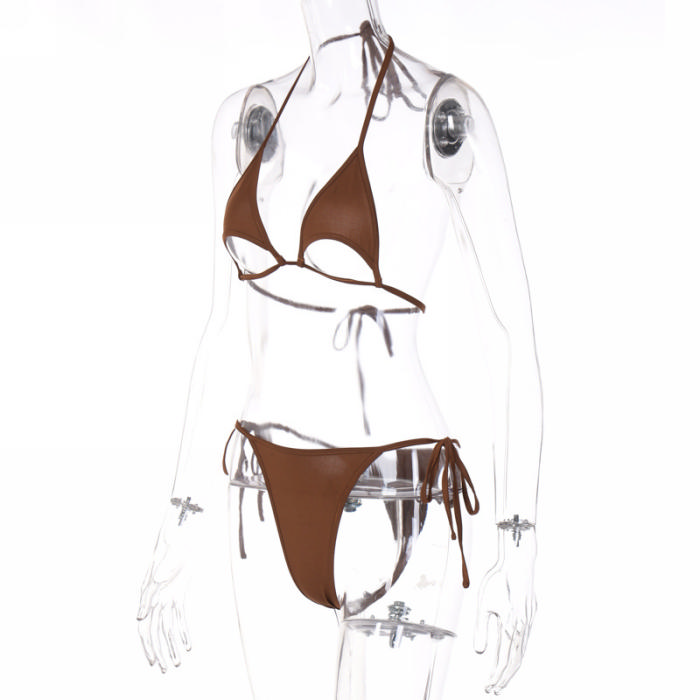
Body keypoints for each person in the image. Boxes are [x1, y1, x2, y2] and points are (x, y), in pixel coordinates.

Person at [137, 1, 542, 697]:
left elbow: (511, 335)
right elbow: (222, 330)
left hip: (401, 495)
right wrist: (179, 519)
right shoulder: (248, 119)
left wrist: (519, 543)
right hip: (261, 492)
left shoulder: (440, 115)